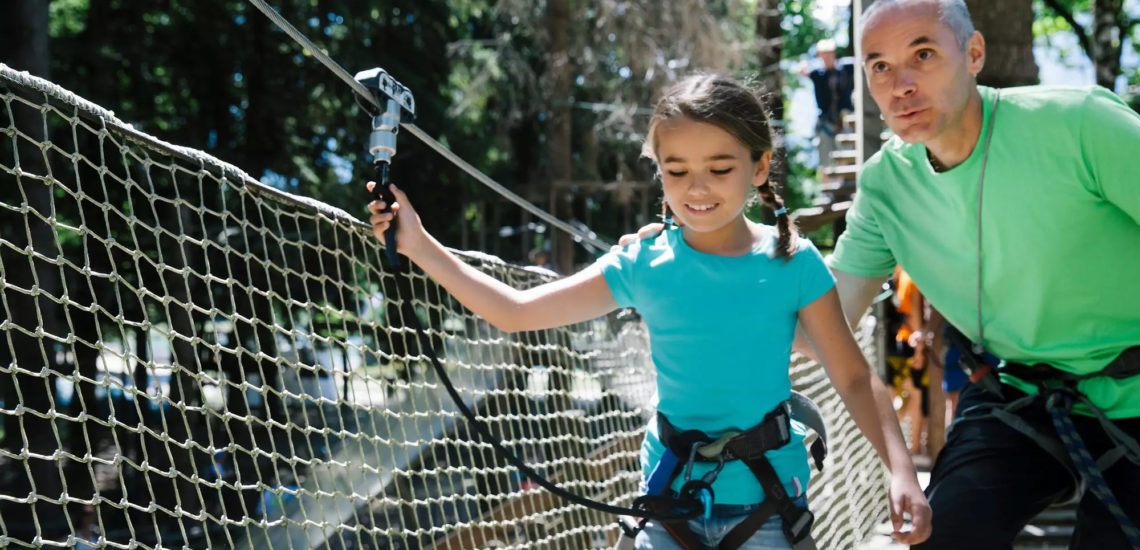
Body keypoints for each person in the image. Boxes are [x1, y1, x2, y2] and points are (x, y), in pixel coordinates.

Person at [622, 2, 1140, 546]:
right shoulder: (885, 185)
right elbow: (815, 325)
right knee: (943, 534)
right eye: (880, 66)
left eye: (923, 54)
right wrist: (693, 254)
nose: (902, 84)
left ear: (974, 53)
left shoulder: (1080, 122)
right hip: (1020, 392)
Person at [366, 74, 930, 549]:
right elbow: (515, 311)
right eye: (677, 169)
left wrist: (902, 471)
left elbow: (853, 375)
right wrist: (418, 245)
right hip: (669, 509)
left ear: (760, 168)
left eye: (719, 167)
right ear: (658, 171)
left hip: (768, 510)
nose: (697, 187)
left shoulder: (793, 262)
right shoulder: (642, 263)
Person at [801, 39, 855, 174]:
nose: (827, 56)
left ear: (834, 53)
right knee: (825, 156)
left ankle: (843, 186)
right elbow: (802, 71)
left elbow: (862, 61)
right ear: (819, 55)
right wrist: (804, 64)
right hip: (826, 121)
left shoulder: (845, 69)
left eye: (830, 53)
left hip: (845, 120)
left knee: (845, 151)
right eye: (824, 54)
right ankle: (827, 188)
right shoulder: (817, 74)